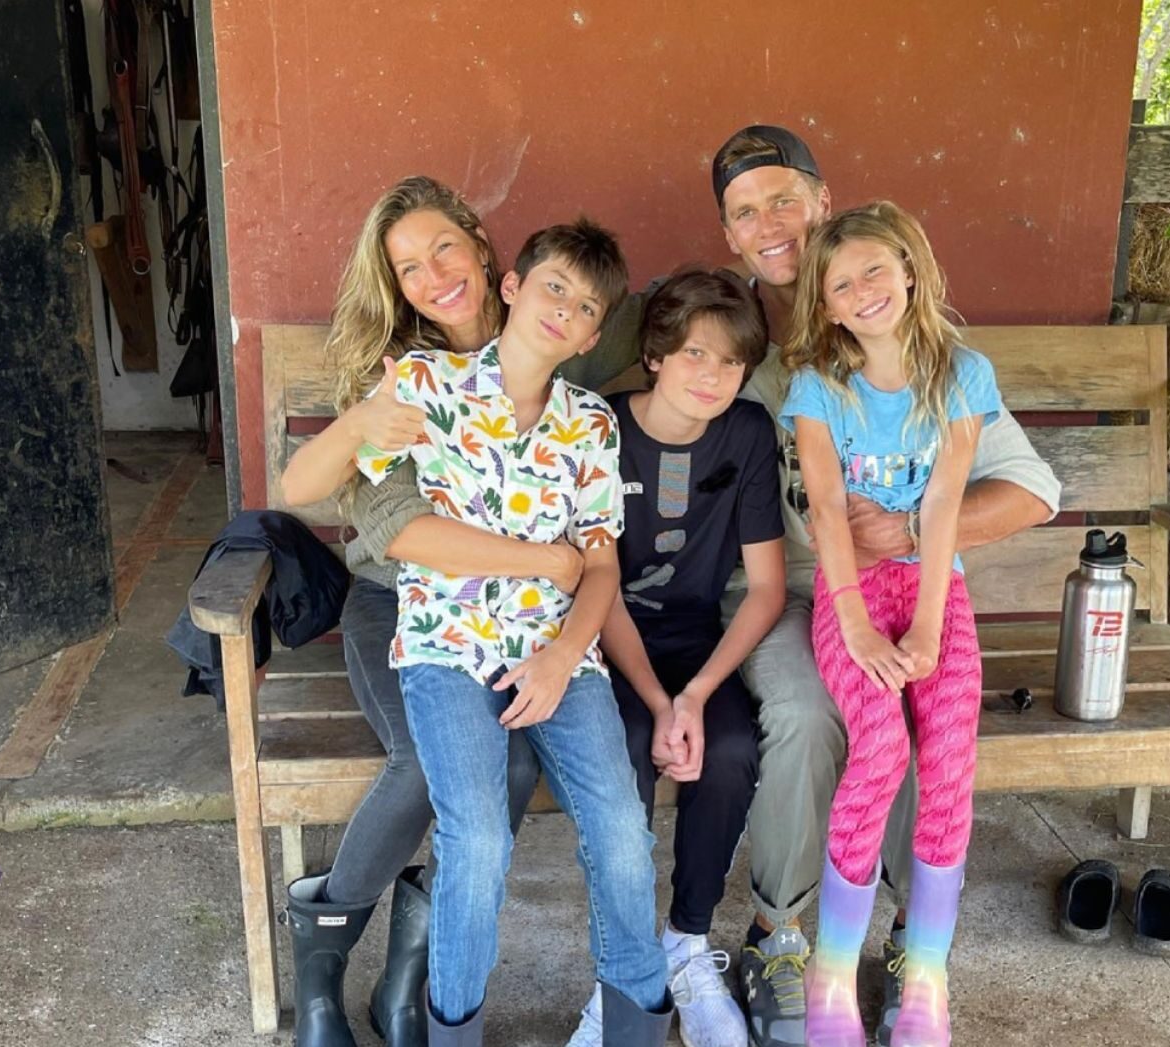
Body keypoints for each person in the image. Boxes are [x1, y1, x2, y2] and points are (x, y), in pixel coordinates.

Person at [573, 126, 1061, 1047]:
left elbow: (1032, 490)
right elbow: (585, 367)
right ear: (727, 234)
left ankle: (918, 943)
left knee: (925, 711)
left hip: (901, 586)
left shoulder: (906, 338)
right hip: (770, 593)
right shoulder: (728, 339)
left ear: (823, 200)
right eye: (743, 211)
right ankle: (779, 934)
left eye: (782, 199)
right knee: (806, 713)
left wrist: (915, 531)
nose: (768, 224)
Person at [353, 219, 672, 1045]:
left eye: (584, 306)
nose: (562, 309)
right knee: (479, 839)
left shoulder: (592, 425)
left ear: (595, 335)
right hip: (445, 649)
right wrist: (540, 560)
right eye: (552, 286)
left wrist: (565, 657)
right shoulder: (426, 383)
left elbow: (598, 566)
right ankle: (452, 1027)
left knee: (623, 832)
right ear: (512, 288)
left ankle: (634, 1025)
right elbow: (386, 520)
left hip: (558, 655)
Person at [278, 175, 560, 1047]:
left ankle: (406, 984)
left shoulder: (544, 333)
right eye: (408, 267)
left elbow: (625, 303)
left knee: (511, 770)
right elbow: (357, 516)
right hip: (395, 607)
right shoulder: (401, 380)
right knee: (424, 764)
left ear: (481, 243)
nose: (434, 274)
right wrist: (362, 417)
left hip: (509, 620)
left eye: (444, 247)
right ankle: (321, 959)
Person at [780, 201, 993, 1046]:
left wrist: (931, 627)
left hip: (935, 585)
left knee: (947, 745)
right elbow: (827, 510)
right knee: (880, 742)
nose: (863, 289)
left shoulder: (963, 376)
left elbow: (943, 503)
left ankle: (926, 979)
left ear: (911, 270)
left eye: (876, 268)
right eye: (841, 282)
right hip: (850, 594)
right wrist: (859, 625)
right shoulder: (816, 388)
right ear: (825, 305)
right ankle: (832, 974)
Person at [565, 269, 785, 1047]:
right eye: (694, 352)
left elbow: (763, 589)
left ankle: (685, 944)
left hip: (697, 643)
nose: (712, 376)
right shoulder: (596, 427)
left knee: (727, 748)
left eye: (730, 362)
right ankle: (621, 970)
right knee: (622, 750)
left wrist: (692, 696)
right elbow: (601, 586)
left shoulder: (748, 432)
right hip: (603, 642)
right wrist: (659, 703)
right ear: (655, 353)